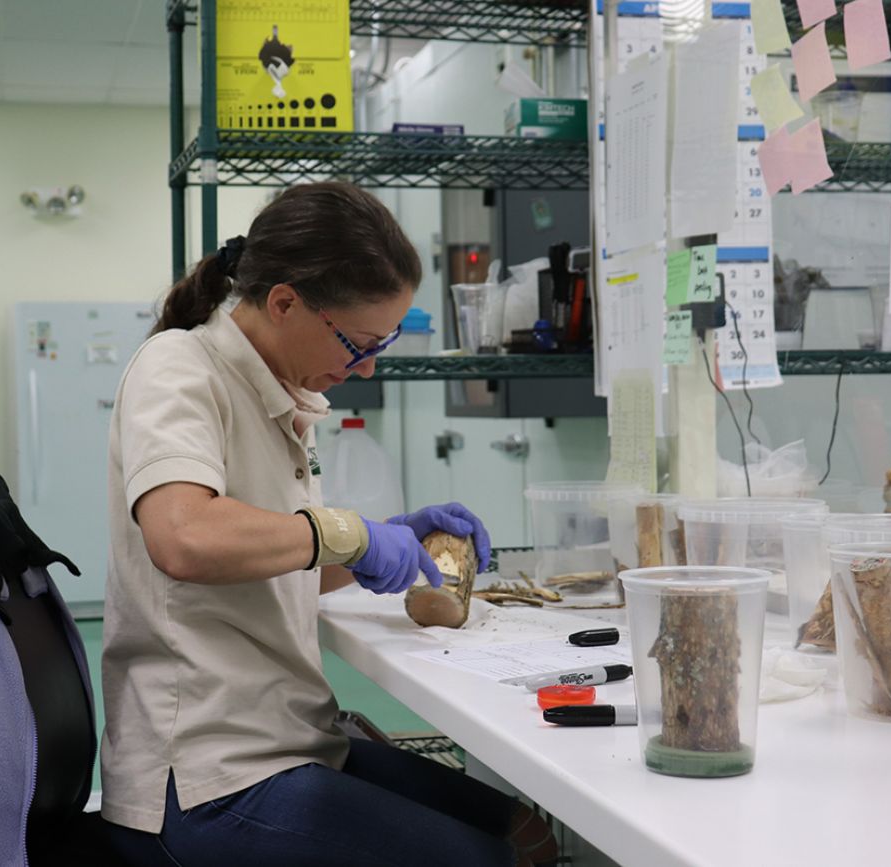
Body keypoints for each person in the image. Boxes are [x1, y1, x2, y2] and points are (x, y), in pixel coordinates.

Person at [100, 181, 558, 867]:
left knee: (524, 829)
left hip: (287, 737)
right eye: (359, 341)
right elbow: (184, 536)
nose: (368, 364)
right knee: (485, 859)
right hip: (203, 774)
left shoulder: (281, 393)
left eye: (387, 340)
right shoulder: (179, 369)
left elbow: (273, 564)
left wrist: (392, 541)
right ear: (284, 302)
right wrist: (348, 534)